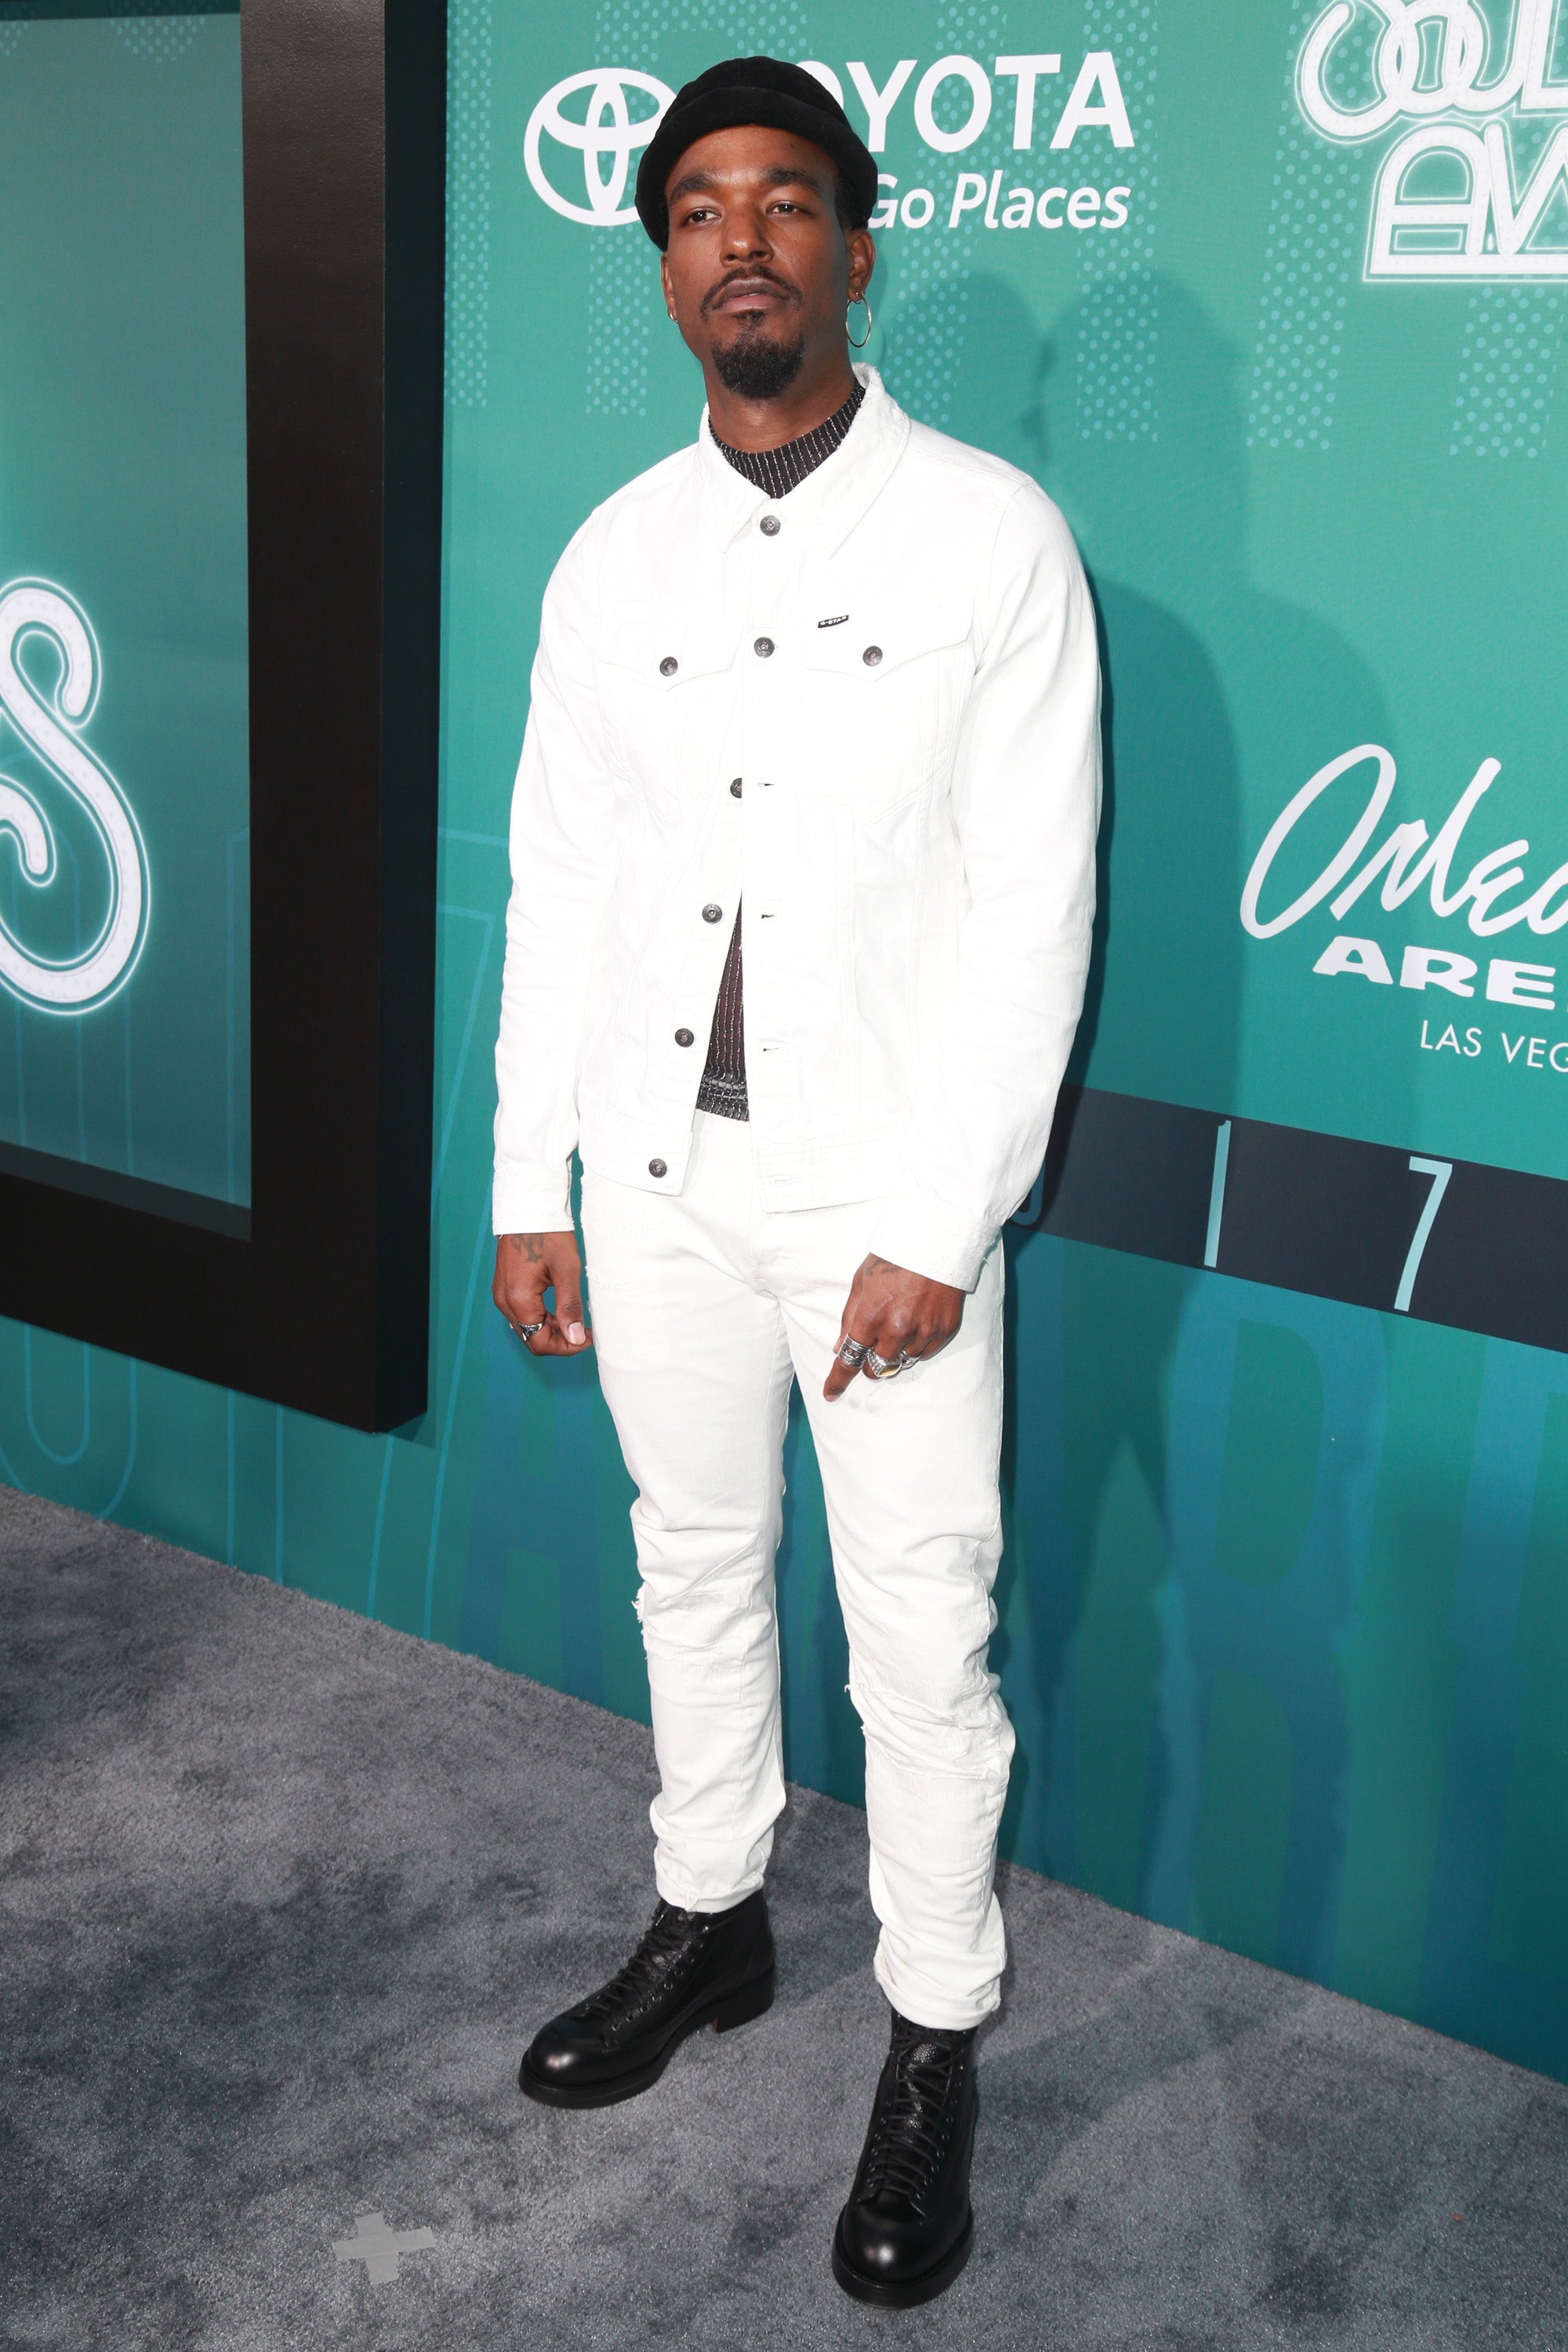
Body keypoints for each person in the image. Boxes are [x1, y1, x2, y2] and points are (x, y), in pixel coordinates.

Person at [491, 56, 1100, 2309]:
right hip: (652, 1176)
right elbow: (560, 885)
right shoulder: (612, 554)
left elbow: (1036, 913)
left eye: (780, 201)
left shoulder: (992, 539)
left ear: (856, 244)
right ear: (665, 266)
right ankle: (712, 1917)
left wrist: (940, 1225)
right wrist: (529, 1178)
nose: (737, 241)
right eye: (694, 211)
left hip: (880, 1204)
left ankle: (933, 2033)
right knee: (692, 1565)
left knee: (923, 1636)